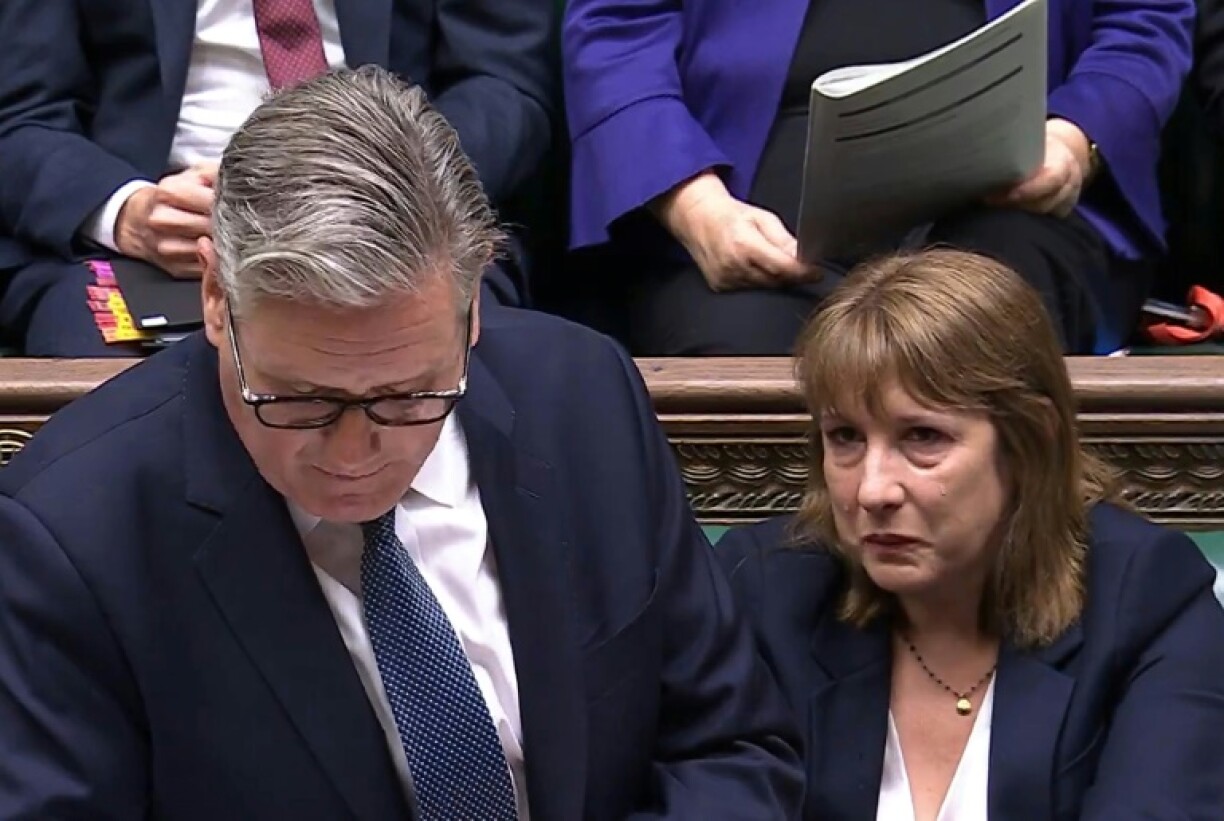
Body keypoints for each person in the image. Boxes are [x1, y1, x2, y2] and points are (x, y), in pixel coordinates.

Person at [0, 67, 803, 820]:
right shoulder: (72, 537)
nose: (354, 455)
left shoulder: (583, 399)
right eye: (300, 399)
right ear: (216, 297)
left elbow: (728, 746)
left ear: (473, 306)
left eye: (409, 396)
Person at [716, 249, 1224, 819]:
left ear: (1030, 442)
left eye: (923, 437)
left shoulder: (1146, 600)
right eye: (846, 438)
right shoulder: (766, 588)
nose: (872, 491)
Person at [563, 0, 1193, 356]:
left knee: (979, 332)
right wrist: (696, 209)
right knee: (741, 356)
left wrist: (1073, 140)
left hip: (1009, 203)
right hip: (738, 226)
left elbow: (1146, 22)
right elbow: (614, 33)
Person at [0, 0, 555, 356]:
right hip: (162, 236)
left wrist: (387, 184)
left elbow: (505, 88)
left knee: (460, 366)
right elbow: (22, 115)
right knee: (108, 401)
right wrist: (127, 211)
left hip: (395, 211)